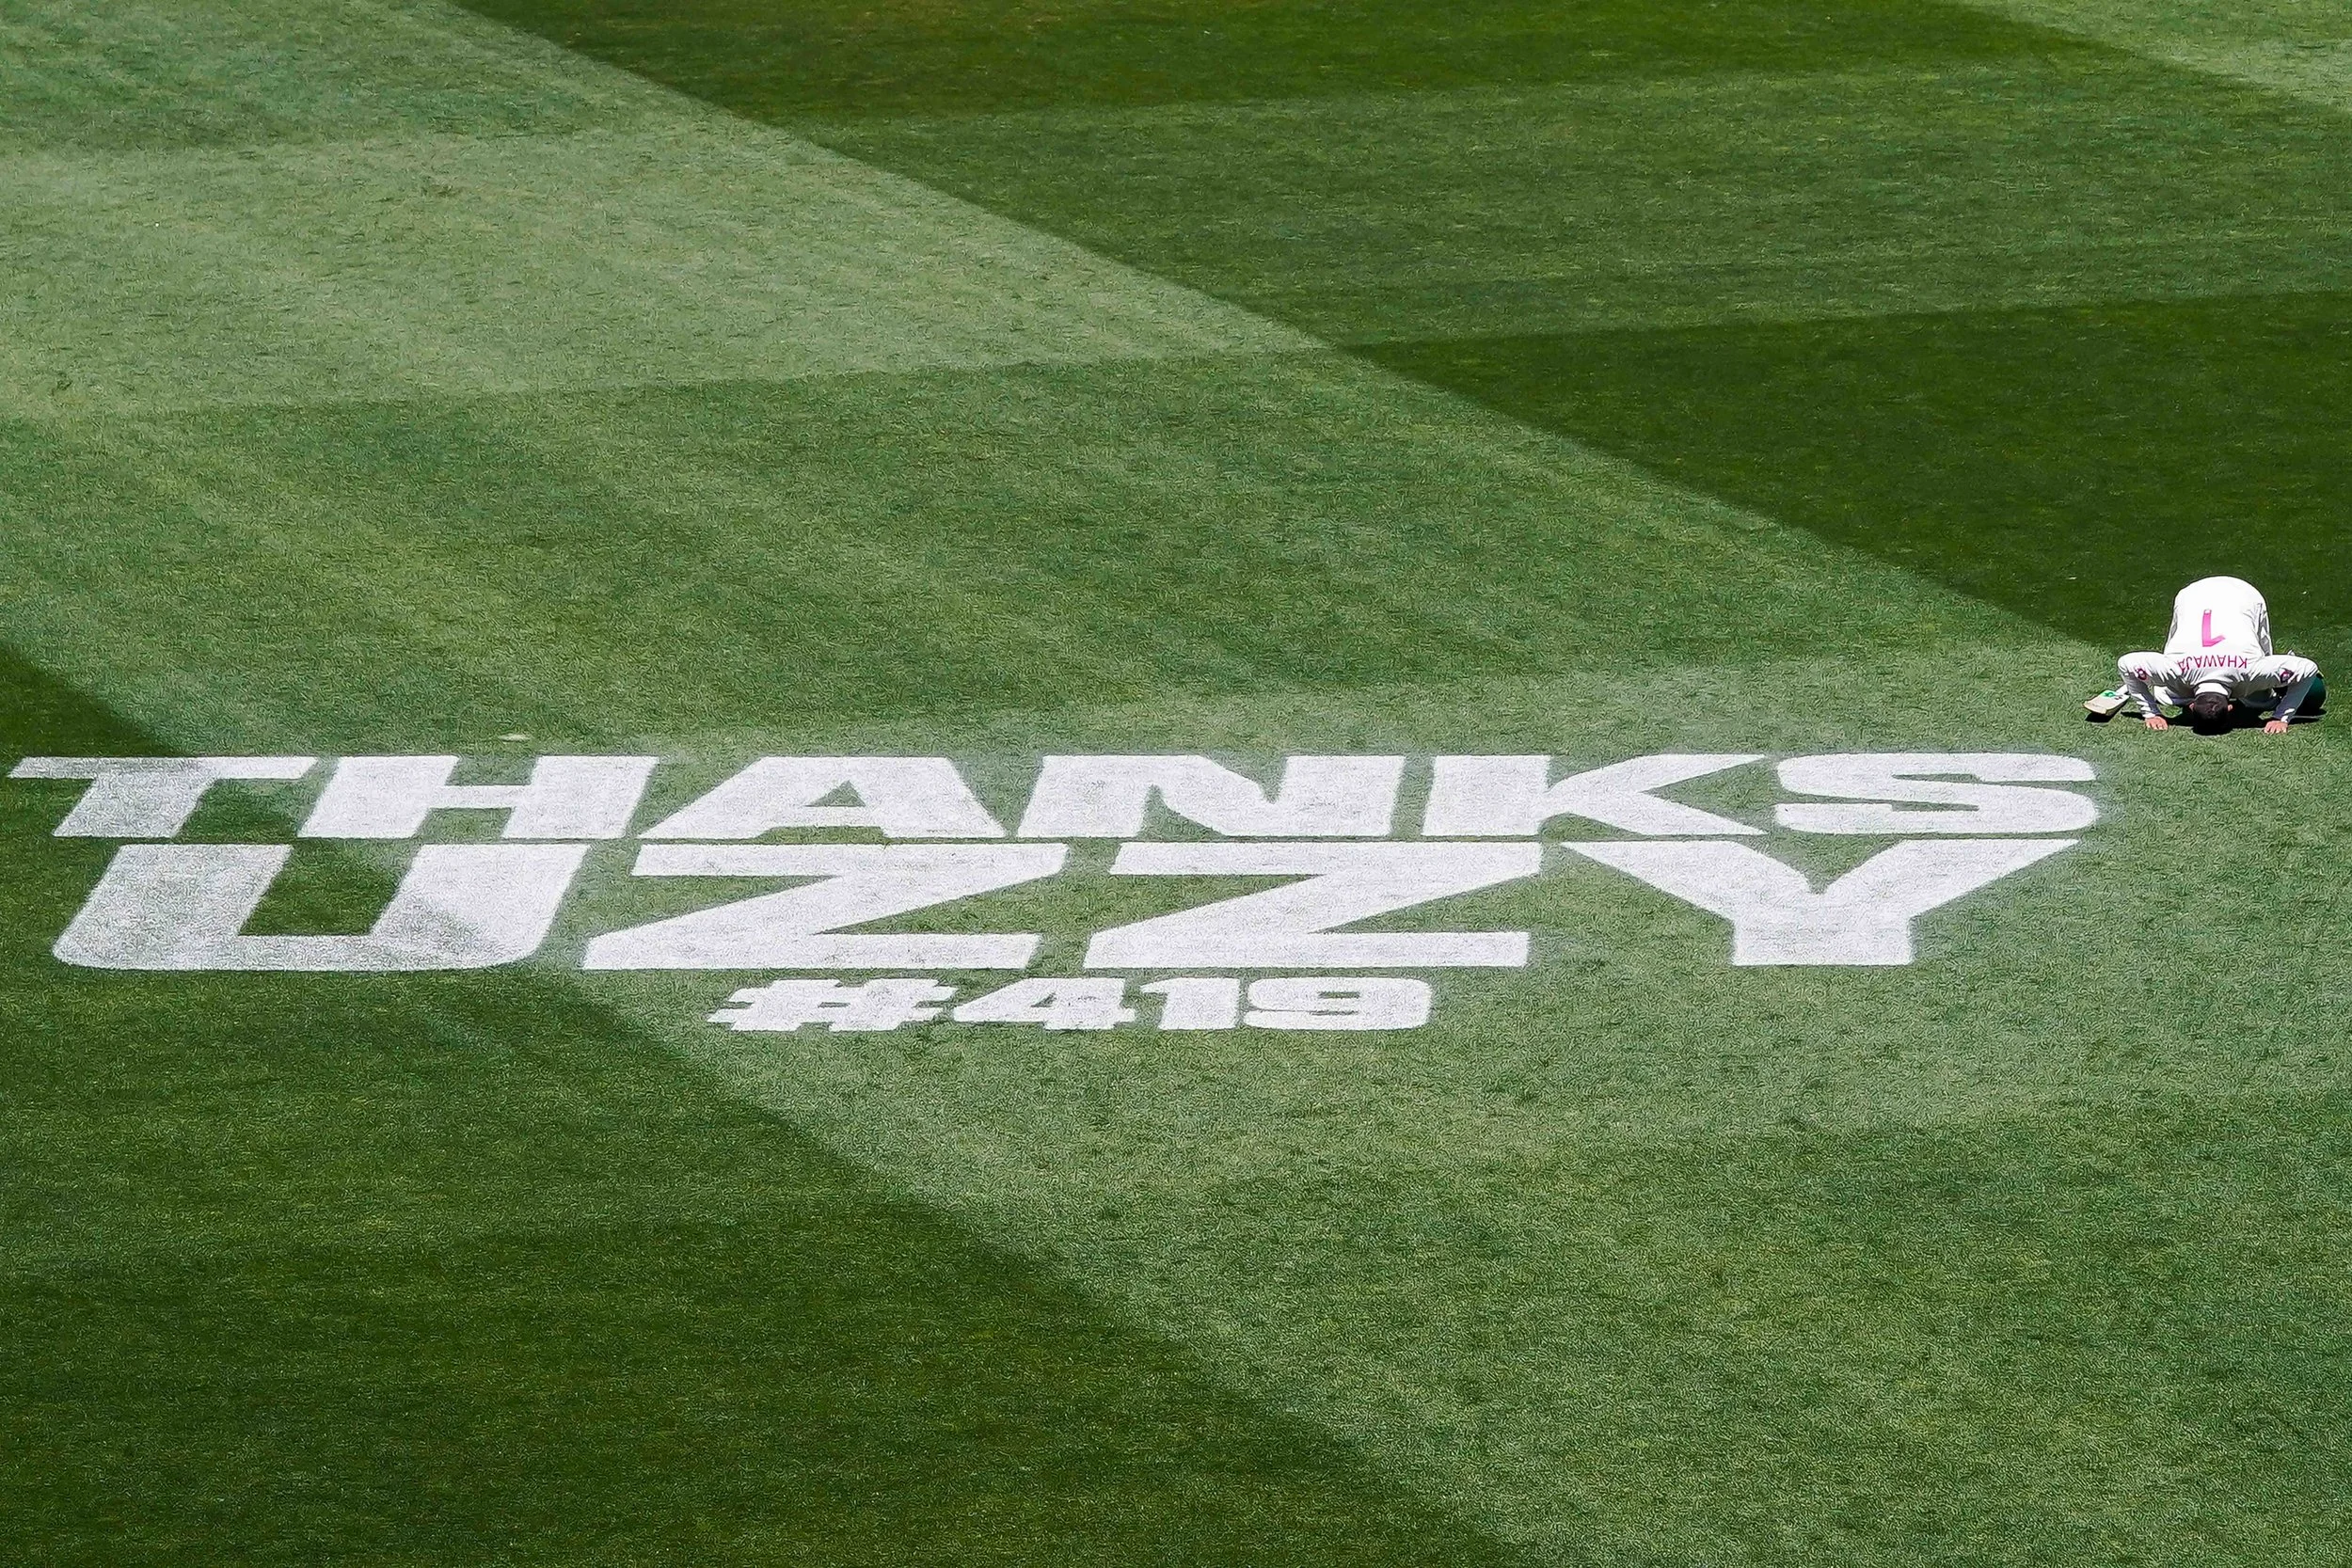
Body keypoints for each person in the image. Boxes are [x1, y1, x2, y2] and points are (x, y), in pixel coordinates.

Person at [2118, 576, 2321, 735]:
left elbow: (2308, 669)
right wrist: (2281, 717)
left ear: (2191, 706)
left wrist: (2281, 717)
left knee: (2261, 697)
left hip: (2225, 596)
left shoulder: (2251, 673)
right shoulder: (2174, 671)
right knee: (2259, 697)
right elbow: (2127, 664)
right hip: (2206, 595)